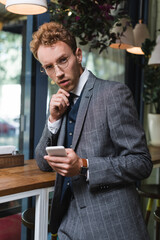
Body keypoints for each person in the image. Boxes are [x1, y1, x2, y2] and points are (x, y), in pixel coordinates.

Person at [30, 22, 152, 240]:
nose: (58, 73)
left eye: (63, 60)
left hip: (109, 224)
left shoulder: (113, 94)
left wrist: (84, 166)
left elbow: (141, 163)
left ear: (78, 55)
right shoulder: (59, 102)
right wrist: (53, 119)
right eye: (49, 67)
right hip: (67, 222)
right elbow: (42, 162)